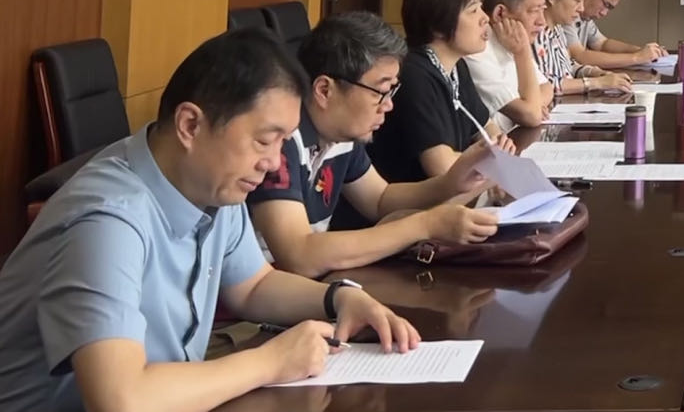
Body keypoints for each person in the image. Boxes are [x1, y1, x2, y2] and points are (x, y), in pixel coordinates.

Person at [0, 29, 417, 412]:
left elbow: (253, 285)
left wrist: (339, 299)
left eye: (282, 142)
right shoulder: (108, 220)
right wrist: (270, 362)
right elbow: (121, 400)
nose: (274, 163)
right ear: (190, 125)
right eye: (264, 140)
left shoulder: (212, 182)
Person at [248, 11, 502, 278]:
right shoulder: (282, 138)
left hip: (309, 281)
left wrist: (451, 182)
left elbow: (380, 200)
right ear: (325, 90)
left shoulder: (340, 134)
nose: (388, 105)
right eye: (380, 91)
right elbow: (299, 255)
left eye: (392, 90)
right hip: (260, 289)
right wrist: (426, 224)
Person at [369, 0, 517, 185]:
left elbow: (486, 128)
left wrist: (499, 145)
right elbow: (441, 167)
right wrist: (491, 156)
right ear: (438, 25)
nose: (485, 18)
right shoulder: (413, 74)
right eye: (473, 11)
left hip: (456, 192)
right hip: (416, 198)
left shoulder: (456, 65)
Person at [463, 0, 553, 131]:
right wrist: (522, 52)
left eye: (543, 9)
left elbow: (547, 87)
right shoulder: (474, 48)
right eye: (534, 11)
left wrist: (533, 104)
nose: (542, 21)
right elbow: (531, 116)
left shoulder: (511, 39)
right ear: (500, 14)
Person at [536, 0, 632, 96]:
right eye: (577, 0)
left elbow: (567, 66)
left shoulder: (557, 29)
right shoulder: (534, 33)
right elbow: (546, 85)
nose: (581, 8)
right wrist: (596, 83)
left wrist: (596, 73)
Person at [564, 0, 667, 70]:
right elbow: (580, 56)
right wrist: (637, 57)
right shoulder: (566, 13)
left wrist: (642, 51)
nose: (604, 13)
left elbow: (602, 44)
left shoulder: (586, 18)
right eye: (606, 4)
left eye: (610, 8)